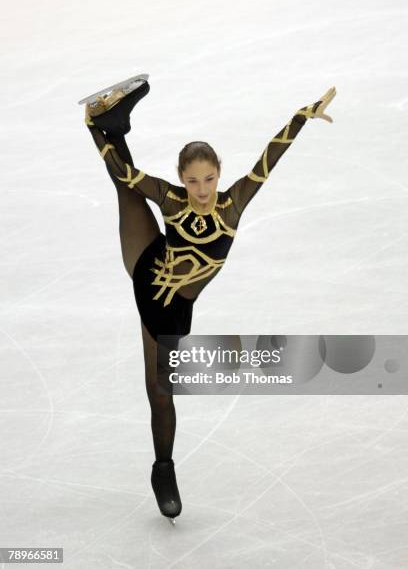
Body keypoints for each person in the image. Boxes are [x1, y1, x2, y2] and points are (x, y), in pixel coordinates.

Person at [83, 77, 336, 524]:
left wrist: (301, 117)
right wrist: (90, 129)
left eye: (210, 178)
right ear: (182, 178)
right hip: (148, 269)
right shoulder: (173, 202)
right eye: (193, 180)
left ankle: (114, 122)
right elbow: (127, 176)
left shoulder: (233, 204)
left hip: (176, 307)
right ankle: (165, 469)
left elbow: (267, 161)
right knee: (160, 389)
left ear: (220, 171)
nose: (202, 189)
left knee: (162, 387)